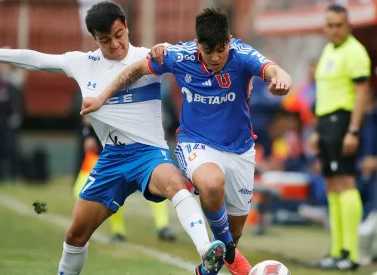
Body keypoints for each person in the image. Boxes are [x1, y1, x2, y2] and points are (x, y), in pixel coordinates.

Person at [0, 1, 226, 274]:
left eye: (119, 35)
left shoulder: (150, 57)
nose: (115, 44)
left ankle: (206, 250)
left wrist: (170, 50)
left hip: (149, 154)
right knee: (75, 235)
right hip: (110, 158)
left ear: (126, 26)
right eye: (105, 40)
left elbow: (202, 53)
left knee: (174, 183)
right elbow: (35, 59)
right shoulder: (82, 63)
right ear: (95, 39)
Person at [80, 8, 292, 275]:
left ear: (229, 39)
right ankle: (229, 252)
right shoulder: (180, 56)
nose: (215, 57)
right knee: (212, 185)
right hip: (196, 144)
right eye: (207, 50)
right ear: (197, 43)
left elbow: (274, 70)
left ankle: (208, 268)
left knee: (235, 232)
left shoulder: (243, 54)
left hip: (240, 150)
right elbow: (135, 70)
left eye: (220, 49)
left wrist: (281, 80)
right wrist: (101, 97)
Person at [308, 4, 371, 271]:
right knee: (332, 185)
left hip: (343, 121)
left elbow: (362, 94)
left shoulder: (355, 52)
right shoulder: (328, 51)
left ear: (348, 26)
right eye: (330, 25)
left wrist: (353, 130)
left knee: (345, 182)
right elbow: (325, 93)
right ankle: (337, 251)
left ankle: (351, 254)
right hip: (326, 123)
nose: (334, 30)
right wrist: (317, 130)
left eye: (339, 25)